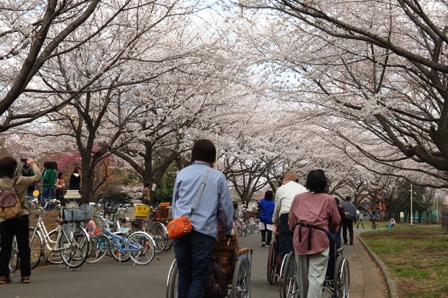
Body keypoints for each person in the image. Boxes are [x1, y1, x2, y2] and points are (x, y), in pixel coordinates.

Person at [172, 139, 234, 298]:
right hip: (203, 230)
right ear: (212, 157)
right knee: (199, 276)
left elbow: (176, 201)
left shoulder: (182, 173)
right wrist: (227, 229)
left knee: (184, 274)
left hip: (180, 230)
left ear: (194, 155)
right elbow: (225, 208)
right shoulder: (217, 176)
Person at [288, 169, 341, 298]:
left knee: (302, 277)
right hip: (320, 238)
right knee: (316, 278)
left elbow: (292, 221)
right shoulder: (329, 199)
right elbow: (335, 221)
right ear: (324, 184)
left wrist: (293, 228)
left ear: (308, 183)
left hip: (300, 237)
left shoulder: (298, 198)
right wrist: (333, 231)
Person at [0, 157, 42, 284]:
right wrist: (33, 164)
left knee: (5, 247)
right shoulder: (21, 180)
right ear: (14, 169)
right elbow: (38, 177)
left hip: (4, 218)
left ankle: (3, 275)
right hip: (21, 216)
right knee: (23, 246)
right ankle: (25, 275)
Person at [272, 172, 307, 261]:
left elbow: (277, 208)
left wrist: (275, 222)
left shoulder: (281, 189)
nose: (282, 182)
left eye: (283, 180)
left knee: (285, 238)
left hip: (286, 214)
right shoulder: (304, 189)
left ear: (286, 180)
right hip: (302, 216)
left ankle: (285, 263)